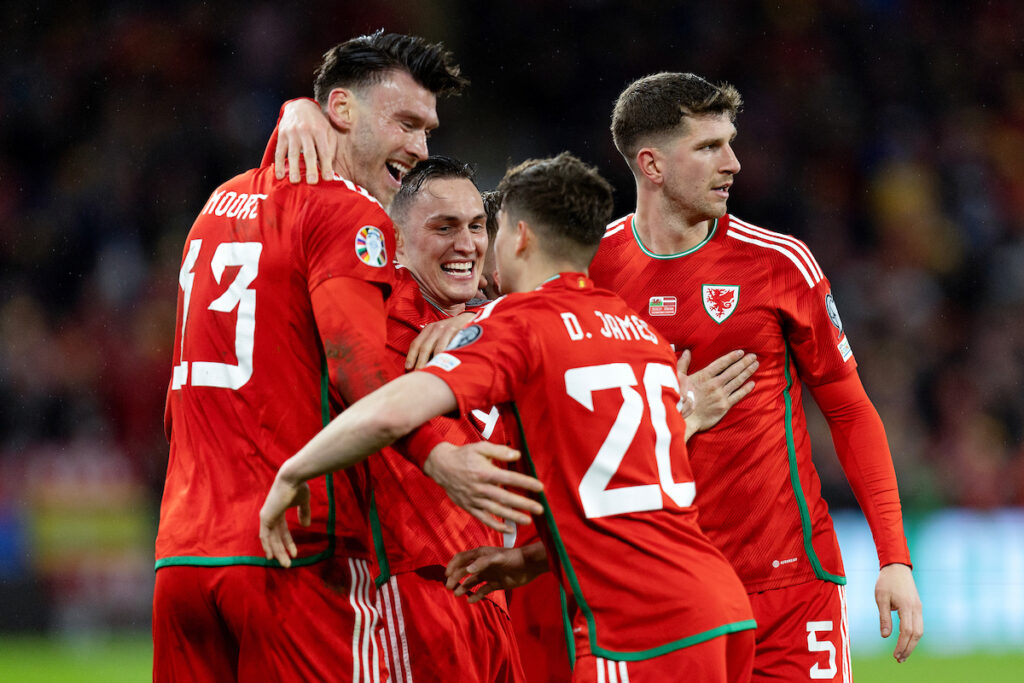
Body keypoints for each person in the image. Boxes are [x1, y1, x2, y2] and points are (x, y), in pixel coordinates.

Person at [260, 152, 758, 683]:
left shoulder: (513, 324)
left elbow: (389, 410)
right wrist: (532, 560)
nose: (478, 247)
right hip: (719, 605)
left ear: (518, 237)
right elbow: (623, 491)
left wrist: (293, 471)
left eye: (486, 228)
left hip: (635, 623)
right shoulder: (637, 332)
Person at [153, 31, 474, 682]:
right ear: (342, 112)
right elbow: (358, 369)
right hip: (295, 548)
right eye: (405, 122)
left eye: (428, 130)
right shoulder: (350, 213)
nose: (420, 148)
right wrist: (441, 450)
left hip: (183, 552)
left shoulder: (217, 206)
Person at [588, 71, 924, 679]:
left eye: (731, 143)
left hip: (790, 586)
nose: (734, 163)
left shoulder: (778, 264)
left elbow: (848, 410)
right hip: (664, 587)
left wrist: (894, 558)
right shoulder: (593, 271)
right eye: (709, 146)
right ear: (652, 164)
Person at [369, 155, 526, 682]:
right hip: (416, 588)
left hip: (492, 596)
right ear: (396, 244)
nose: (466, 245)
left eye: (477, 226)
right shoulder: (381, 317)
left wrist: (485, 319)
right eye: (444, 228)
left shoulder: (497, 326)